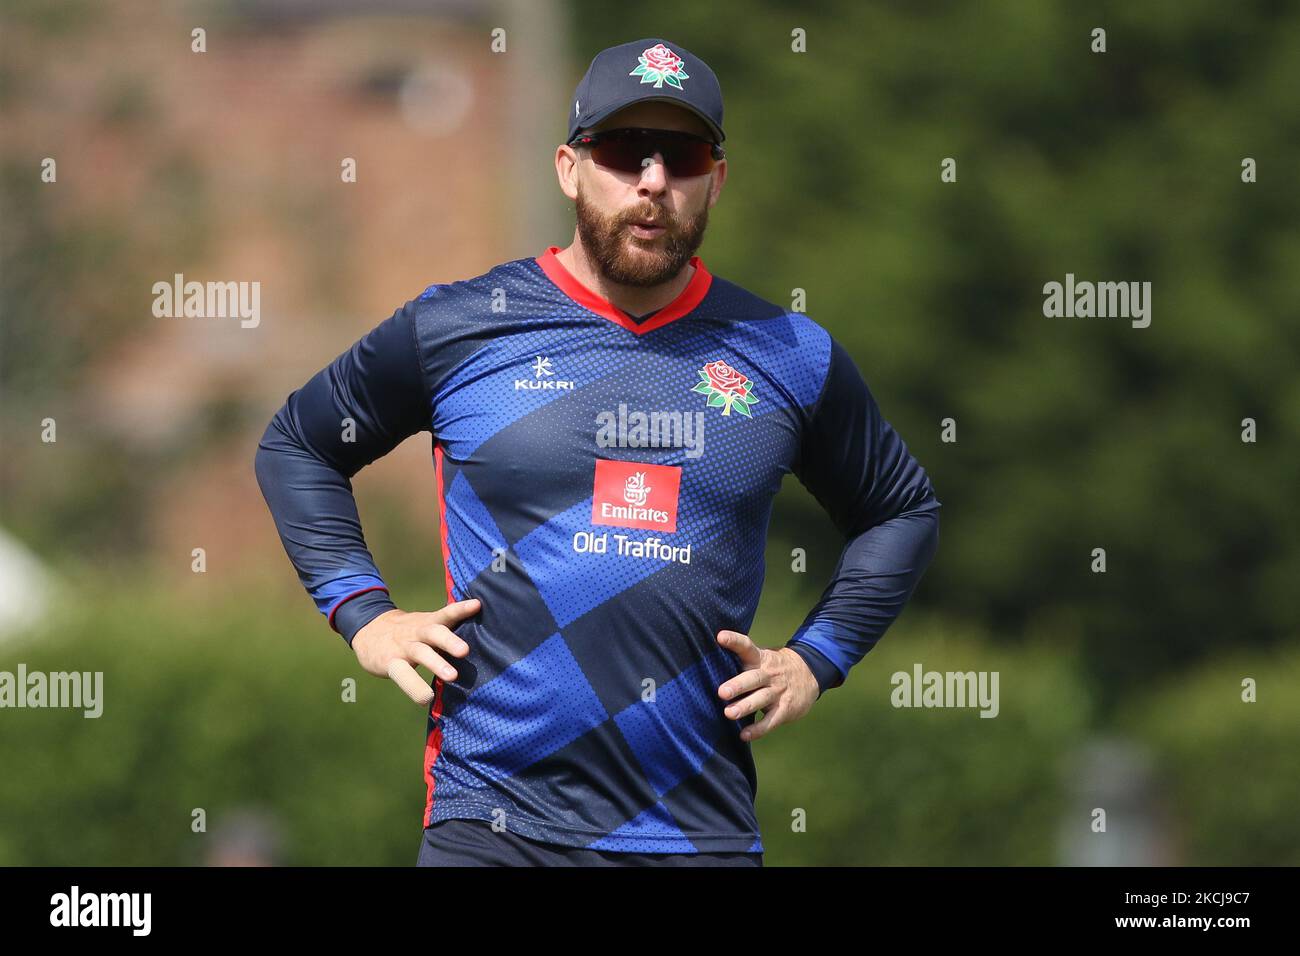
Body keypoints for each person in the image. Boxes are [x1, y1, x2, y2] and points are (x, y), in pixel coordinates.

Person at [254, 37, 941, 867]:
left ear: (715, 179)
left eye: (683, 155)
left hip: (697, 832)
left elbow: (900, 509)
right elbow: (298, 445)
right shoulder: (458, 326)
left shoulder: (788, 353)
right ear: (569, 168)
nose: (654, 181)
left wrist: (814, 659)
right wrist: (363, 613)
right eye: (623, 151)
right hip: (491, 824)